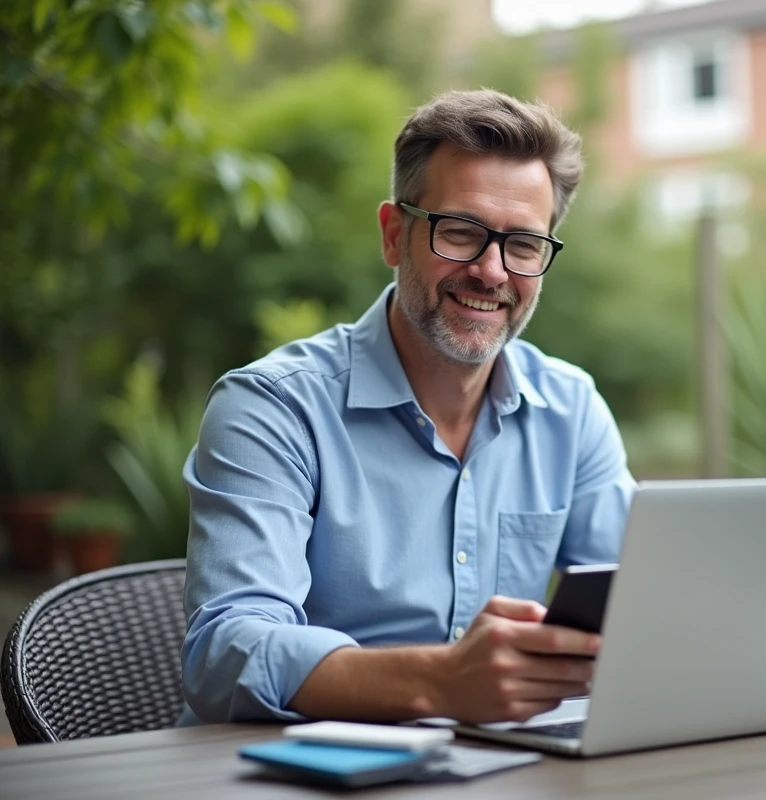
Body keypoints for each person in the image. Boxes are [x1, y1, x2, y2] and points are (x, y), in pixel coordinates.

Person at [179, 90, 637, 726]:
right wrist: (442, 682)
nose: (491, 271)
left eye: (524, 245)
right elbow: (224, 653)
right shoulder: (273, 408)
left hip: (499, 769)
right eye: (459, 232)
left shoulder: (572, 408)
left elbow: (643, 607)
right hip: (289, 774)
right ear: (395, 235)